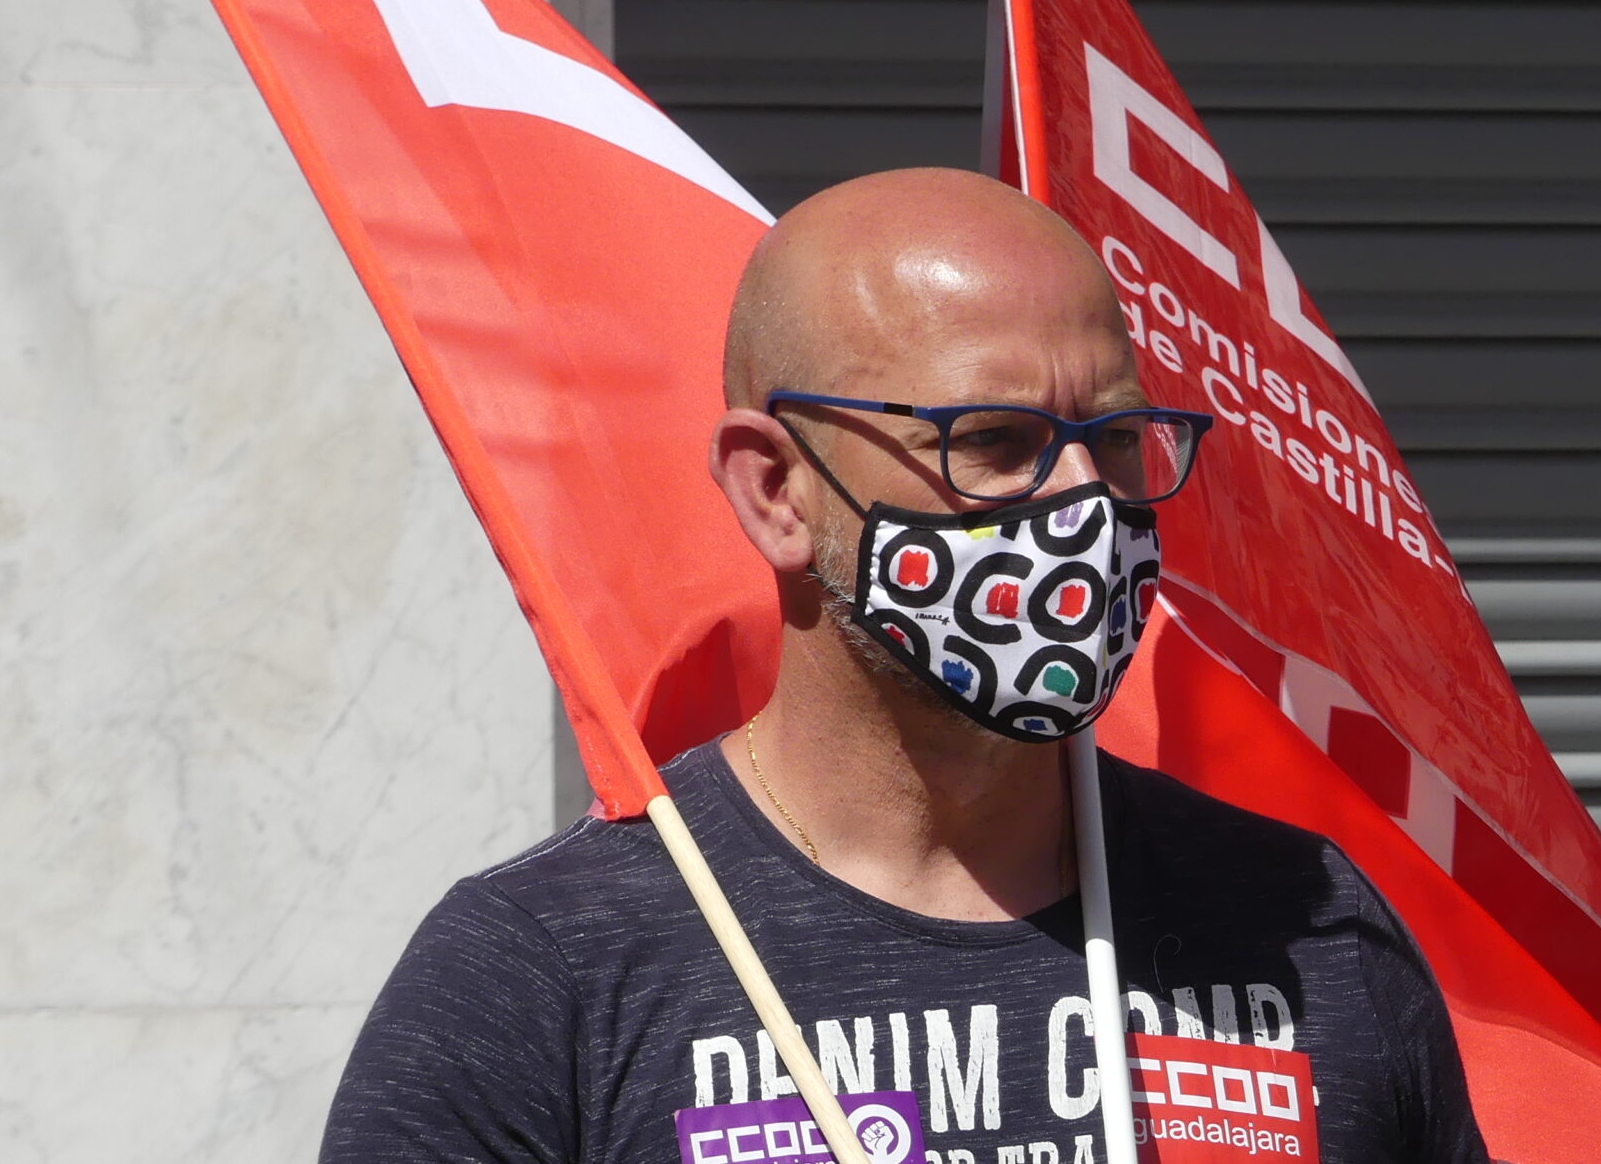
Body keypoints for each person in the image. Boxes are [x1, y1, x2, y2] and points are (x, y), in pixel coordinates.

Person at [320, 168, 1488, 1164]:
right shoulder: (540, 973)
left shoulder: (1305, 924)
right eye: (994, 442)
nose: (1085, 508)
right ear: (775, 490)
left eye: (1117, 440)